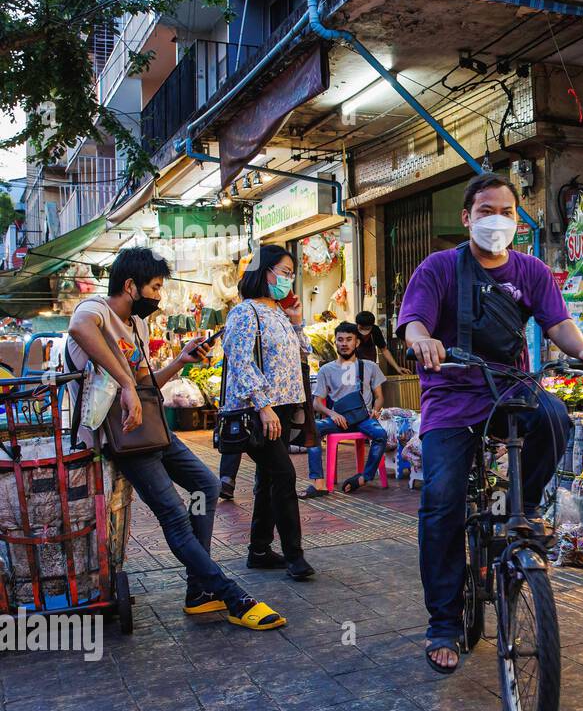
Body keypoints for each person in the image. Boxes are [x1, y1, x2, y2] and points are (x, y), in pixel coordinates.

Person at [399, 173, 583, 675]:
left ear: (517, 220)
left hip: (508, 387)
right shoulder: (437, 269)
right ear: (467, 218)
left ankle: (527, 506)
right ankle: (444, 623)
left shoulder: (532, 270)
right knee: (442, 501)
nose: (497, 220)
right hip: (451, 393)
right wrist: (422, 340)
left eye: (506, 212)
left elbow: (558, 324)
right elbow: (414, 322)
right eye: (486, 211)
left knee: (556, 417)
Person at [65, 247, 285, 630]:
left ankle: (199, 590)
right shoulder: (96, 311)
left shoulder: (138, 325)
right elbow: (79, 330)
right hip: (124, 437)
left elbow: (145, 385)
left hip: (152, 429)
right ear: (130, 286)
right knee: (173, 516)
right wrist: (125, 384)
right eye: (153, 287)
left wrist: (181, 360)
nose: (158, 296)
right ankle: (230, 595)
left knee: (205, 486)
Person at [221, 245, 315, 581]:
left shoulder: (277, 312)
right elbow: (240, 361)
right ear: (264, 272)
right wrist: (263, 406)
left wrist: (298, 324)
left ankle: (259, 550)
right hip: (259, 409)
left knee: (269, 479)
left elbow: (304, 354)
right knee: (285, 476)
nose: (288, 279)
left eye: (292, 274)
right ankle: (295, 555)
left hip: (285, 406)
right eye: (284, 271)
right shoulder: (245, 313)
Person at [300, 321, 387, 498]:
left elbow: (379, 397)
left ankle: (365, 477)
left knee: (381, 435)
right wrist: (333, 414)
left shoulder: (369, 366)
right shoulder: (326, 369)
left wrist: (375, 411)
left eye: (349, 339)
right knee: (312, 429)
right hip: (338, 420)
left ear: (357, 343)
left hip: (364, 419)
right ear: (336, 343)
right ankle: (319, 483)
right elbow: (317, 403)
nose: (344, 343)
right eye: (340, 340)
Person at [355, 310, 403, 374]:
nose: (364, 333)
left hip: (370, 366)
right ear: (357, 324)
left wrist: (397, 368)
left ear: (372, 326)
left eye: (367, 329)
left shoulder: (375, 330)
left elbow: (384, 350)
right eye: (361, 328)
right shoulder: (352, 331)